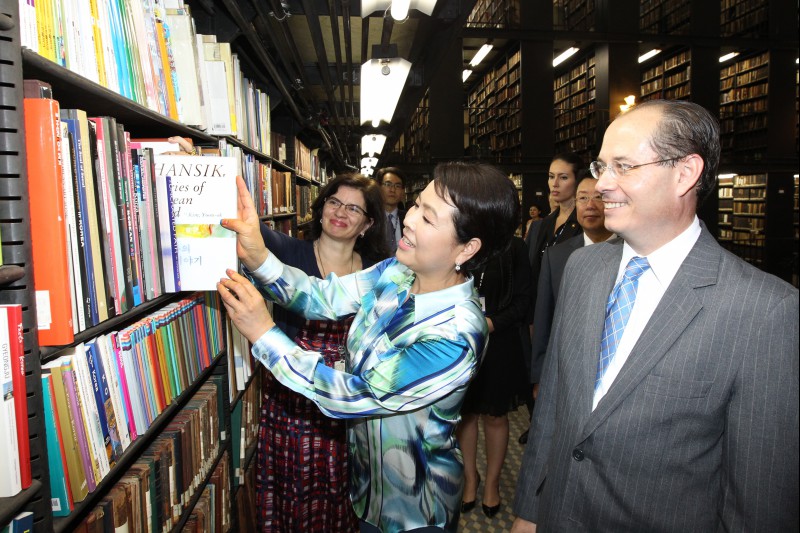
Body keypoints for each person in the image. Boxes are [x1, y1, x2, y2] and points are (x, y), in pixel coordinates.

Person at [512, 99, 799, 532]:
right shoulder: (582, 269)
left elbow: (758, 499)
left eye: (623, 166)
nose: (601, 183)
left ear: (685, 173)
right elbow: (554, 404)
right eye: (601, 165)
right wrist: (529, 512)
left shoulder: (765, 312)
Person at [219, 161, 520, 533]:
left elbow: (357, 395)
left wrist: (265, 334)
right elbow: (322, 296)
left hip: (413, 510)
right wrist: (256, 257)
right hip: (365, 488)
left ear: (467, 247)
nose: (409, 220)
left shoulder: (456, 333)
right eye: (416, 206)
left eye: (428, 218)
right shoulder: (397, 271)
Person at [255, 174, 388, 531]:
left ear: (368, 223)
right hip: (294, 397)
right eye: (334, 202)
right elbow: (245, 228)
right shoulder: (288, 251)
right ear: (321, 205)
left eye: (353, 207)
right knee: (292, 492)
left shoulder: (377, 271)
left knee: (341, 491)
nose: (340, 212)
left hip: (349, 403)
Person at [456, 235, 532, 518]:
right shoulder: (459, 237)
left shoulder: (513, 247)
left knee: (496, 415)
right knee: (466, 414)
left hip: (499, 341)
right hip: (462, 341)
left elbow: (525, 299)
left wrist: (491, 322)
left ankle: (492, 482)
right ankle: (470, 478)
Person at [529, 176, 616, 397]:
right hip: (566, 373)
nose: (590, 205)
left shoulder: (633, 251)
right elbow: (543, 319)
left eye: (599, 198)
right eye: (582, 198)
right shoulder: (556, 256)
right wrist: (539, 376)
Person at [519, 153, 584, 444]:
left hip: (570, 312)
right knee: (535, 374)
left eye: (563, 177)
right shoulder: (542, 225)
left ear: (577, 180)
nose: (554, 184)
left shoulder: (586, 223)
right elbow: (531, 272)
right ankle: (538, 424)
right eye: (550, 176)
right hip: (538, 311)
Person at [375, 166, 407, 255]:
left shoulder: (409, 219)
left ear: (402, 191)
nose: (392, 190)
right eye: (388, 184)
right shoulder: (370, 218)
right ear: (379, 187)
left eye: (397, 186)